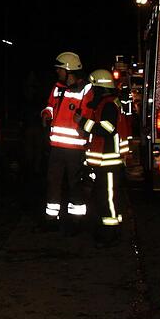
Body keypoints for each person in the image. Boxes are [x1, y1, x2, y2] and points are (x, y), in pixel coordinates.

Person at [41, 51, 92, 232]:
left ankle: (76, 222)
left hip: (75, 149)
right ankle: (51, 219)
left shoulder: (86, 90)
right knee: (52, 182)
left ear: (69, 70)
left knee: (75, 185)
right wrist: (46, 114)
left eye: (60, 69)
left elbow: (88, 117)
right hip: (56, 148)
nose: (57, 72)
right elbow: (49, 106)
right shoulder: (57, 88)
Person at [78, 69, 127, 246]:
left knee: (108, 199)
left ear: (100, 88)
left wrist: (83, 123)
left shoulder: (108, 105)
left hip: (108, 161)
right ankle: (113, 232)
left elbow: (107, 129)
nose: (92, 92)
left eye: (94, 88)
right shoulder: (108, 103)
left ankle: (110, 236)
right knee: (107, 198)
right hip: (106, 161)